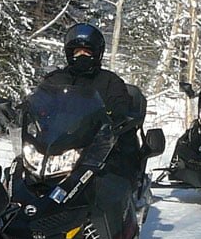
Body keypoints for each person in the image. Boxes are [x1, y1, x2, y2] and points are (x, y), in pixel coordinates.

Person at [37, 22, 142, 186]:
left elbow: (119, 105)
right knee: (20, 168)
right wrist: (25, 111)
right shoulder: (55, 80)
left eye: (87, 51)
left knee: (113, 180)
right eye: (77, 52)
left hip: (96, 146)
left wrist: (113, 116)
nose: (82, 56)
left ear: (97, 54)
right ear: (69, 53)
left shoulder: (110, 81)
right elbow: (39, 101)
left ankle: (122, 199)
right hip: (55, 144)